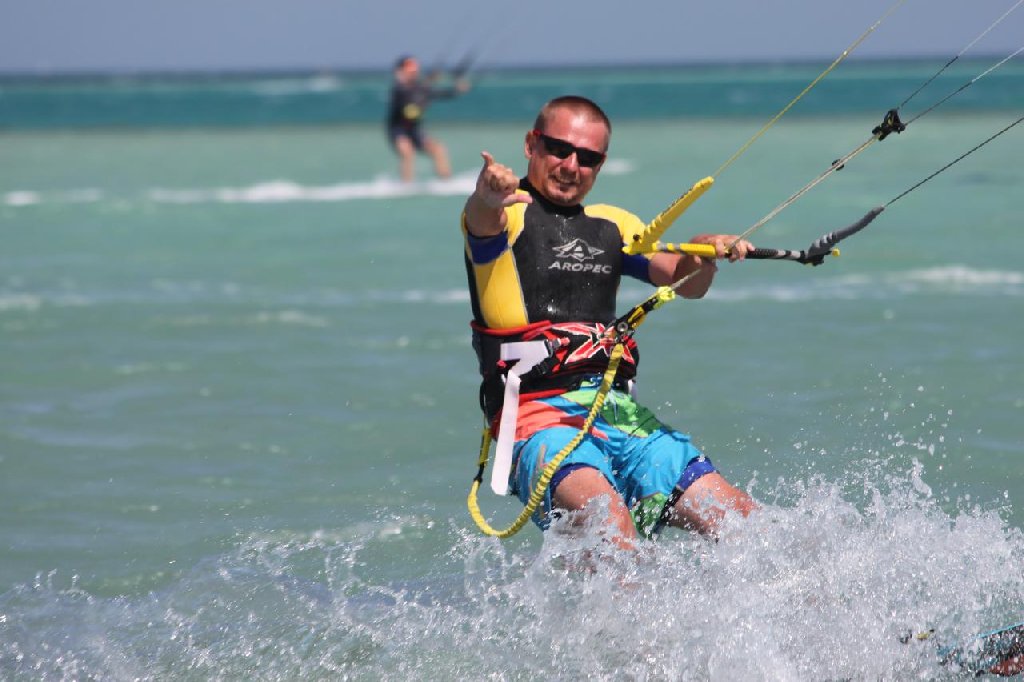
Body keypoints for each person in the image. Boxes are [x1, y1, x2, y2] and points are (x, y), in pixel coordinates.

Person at [461, 95, 758, 550]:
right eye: (559, 149)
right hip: (536, 418)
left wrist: (703, 249)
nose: (571, 166)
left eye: (588, 158)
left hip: (618, 414)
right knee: (609, 526)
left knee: (740, 519)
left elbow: (684, 280)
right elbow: (481, 218)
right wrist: (486, 195)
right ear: (531, 144)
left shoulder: (614, 225)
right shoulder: (504, 217)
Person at [387, 55, 470, 183]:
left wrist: (457, 90)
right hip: (398, 129)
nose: (414, 71)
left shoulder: (421, 87)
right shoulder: (399, 88)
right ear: (401, 71)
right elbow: (407, 108)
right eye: (409, 68)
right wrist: (423, 91)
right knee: (407, 151)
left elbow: (441, 93)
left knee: (438, 150)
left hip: (415, 129)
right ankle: (406, 185)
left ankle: (446, 182)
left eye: (415, 68)